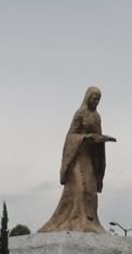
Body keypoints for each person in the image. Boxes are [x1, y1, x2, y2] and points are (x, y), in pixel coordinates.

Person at [38, 86, 116, 233]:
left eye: (98, 99)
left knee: (91, 189)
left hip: (90, 157)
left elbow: (97, 134)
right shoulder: (80, 113)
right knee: (79, 188)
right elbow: (71, 136)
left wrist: (100, 139)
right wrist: (86, 137)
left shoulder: (97, 117)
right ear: (87, 97)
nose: (95, 101)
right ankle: (74, 220)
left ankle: (90, 221)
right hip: (77, 156)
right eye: (93, 98)